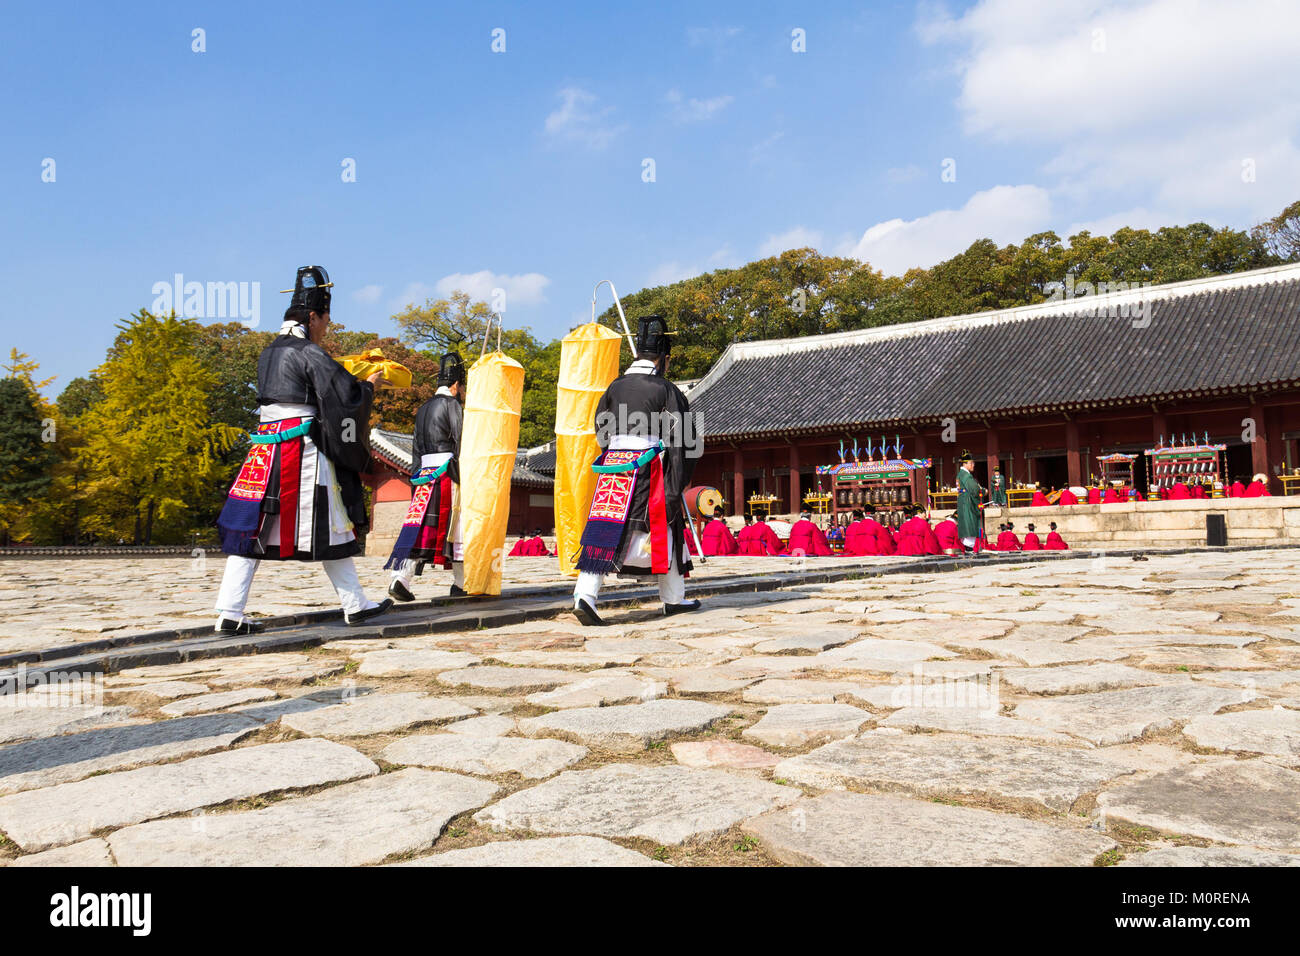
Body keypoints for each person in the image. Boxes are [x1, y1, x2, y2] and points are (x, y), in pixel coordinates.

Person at [215, 266, 392, 632]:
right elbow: (344, 395)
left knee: (251, 525)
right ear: (313, 317)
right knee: (333, 520)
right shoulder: (308, 351)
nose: (327, 328)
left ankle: (229, 613)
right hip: (300, 449)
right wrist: (370, 386)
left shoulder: (269, 352)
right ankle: (355, 605)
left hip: (263, 450)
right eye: (326, 320)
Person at [573, 316, 699, 626]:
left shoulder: (614, 388)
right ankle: (673, 598)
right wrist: (677, 480)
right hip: (648, 466)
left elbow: (601, 429)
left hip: (615, 465)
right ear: (663, 358)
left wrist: (616, 449)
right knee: (663, 525)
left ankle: (584, 595)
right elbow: (683, 440)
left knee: (605, 527)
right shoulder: (666, 389)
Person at [386, 352, 467, 600]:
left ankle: (400, 577)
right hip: (448, 472)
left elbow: (416, 449)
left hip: (424, 473)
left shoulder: (422, 409)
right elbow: (461, 441)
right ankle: (462, 583)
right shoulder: (452, 405)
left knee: (419, 527)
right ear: (456, 386)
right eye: (462, 387)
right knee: (458, 528)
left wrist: (415, 479)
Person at [955, 452, 985, 553]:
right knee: (970, 524)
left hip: (963, 501)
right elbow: (975, 489)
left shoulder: (961, 474)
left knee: (966, 524)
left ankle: (968, 548)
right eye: (971, 463)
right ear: (965, 464)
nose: (973, 465)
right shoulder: (966, 476)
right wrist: (983, 491)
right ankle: (969, 549)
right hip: (968, 503)